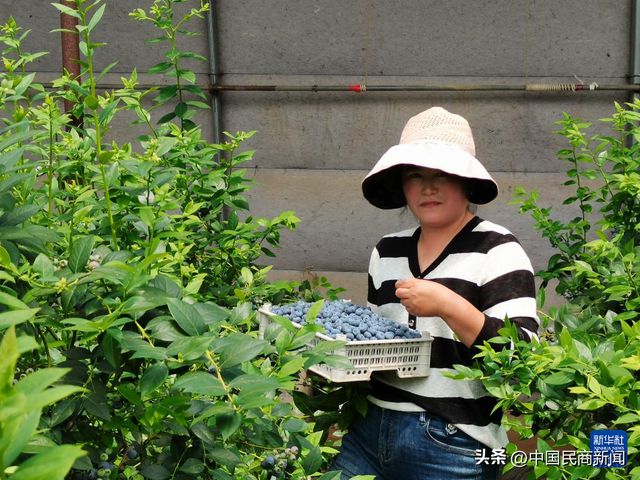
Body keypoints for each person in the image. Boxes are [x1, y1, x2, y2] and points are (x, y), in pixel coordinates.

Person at [330, 107, 539, 479]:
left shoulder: (498, 250)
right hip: (368, 429)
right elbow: (372, 344)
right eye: (415, 175)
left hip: (452, 440)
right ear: (402, 185)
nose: (428, 187)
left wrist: (447, 305)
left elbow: (521, 358)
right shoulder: (386, 250)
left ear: (467, 182)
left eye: (443, 174)